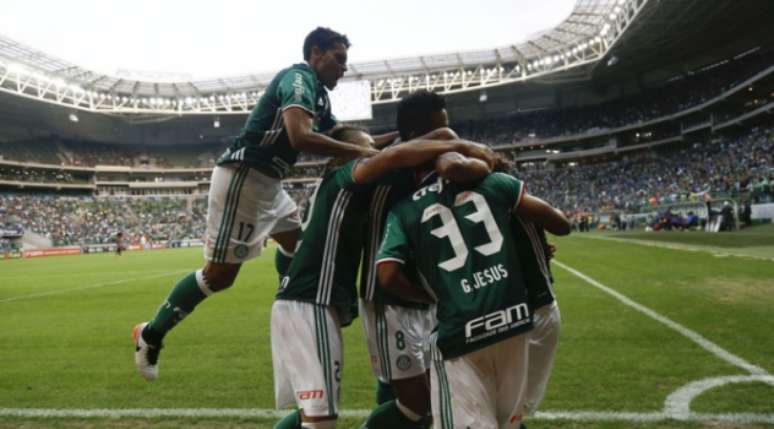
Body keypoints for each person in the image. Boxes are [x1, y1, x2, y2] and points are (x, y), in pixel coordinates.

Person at [133, 27, 395, 381]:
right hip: (244, 176)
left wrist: (403, 138)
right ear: (316, 53)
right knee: (219, 276)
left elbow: (352, 139)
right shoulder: (298, 79)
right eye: (339, 59)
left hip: (269, 182)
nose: (344, 69)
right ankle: (150, 333)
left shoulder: (319, 95)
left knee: (298, 246)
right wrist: (364, 151)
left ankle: (290, 308)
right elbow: (300, 136)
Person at [270, 126, 495, 429]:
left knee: (314, 412)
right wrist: (464, 144)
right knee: (319, 419)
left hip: (310, 302)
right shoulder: (345, 175)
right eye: (367, 148)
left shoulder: (341, 189)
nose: (373, 152)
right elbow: (395, 155)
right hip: (310, 301)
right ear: (345, 154)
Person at [376, 168, 570, 429]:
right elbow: (561, 225)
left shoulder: (404, 208)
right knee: (508, 420)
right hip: (516, 318)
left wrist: (426, 296)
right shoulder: (495, 185)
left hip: (461, 326)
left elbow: (387, 276)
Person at [358, 90, 491, 429]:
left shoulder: (421, 169)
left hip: (420, 297)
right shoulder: (392, 168)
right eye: (440, 131)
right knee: (417, 404)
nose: (449, 137)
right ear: (420, 137)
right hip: (388, 297)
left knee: (421, 396)